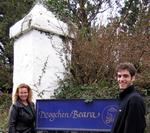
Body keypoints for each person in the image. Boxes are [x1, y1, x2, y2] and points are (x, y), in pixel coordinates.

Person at [111, 62, 146, 133]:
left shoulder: (134, 100)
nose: (121, 79)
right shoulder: (125, 98)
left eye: (125, 76)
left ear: (133, 78)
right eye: (119, 76)